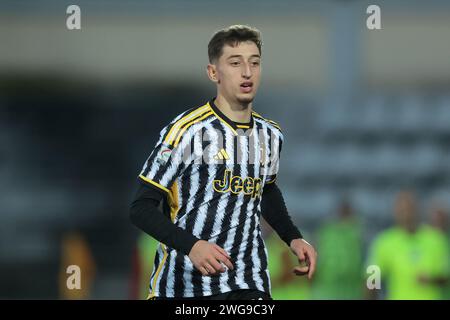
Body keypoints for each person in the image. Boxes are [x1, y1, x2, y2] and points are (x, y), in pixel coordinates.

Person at [129, 25, 317, 300]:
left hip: (247, 281)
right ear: (213, 72)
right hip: (184, 287)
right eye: (235, 63)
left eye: (254, 62)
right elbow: (140, 208)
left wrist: (292, 236)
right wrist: (192, 247)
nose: (247, 72)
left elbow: (266, 190)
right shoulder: (186, 131)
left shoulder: (270, 134)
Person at [367, 191, 449, 300]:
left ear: (417, 210)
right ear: (395, 212)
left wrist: (432, 280)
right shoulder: (384, 242)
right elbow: (371, 279)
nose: (406, 214)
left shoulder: (436, 239)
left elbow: (446, 276)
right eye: (402, 210)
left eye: (409, 209)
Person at [312, 200, 363, 299]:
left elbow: (373, 267)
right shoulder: (325, 233)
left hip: (347, 295)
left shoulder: (361, 235)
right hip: (325, 295)